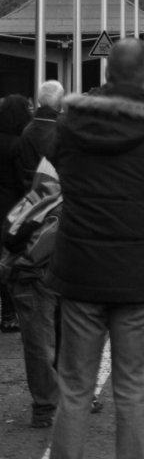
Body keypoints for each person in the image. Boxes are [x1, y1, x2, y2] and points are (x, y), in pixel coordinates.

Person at [48, 38, 144, 459]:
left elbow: (56, 163)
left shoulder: (71, 126)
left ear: (107, 73)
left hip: (81, 274)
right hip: (139, 276)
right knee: (131, 391)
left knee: (74, 390)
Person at [1, 157, 62, 427]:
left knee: (44, 342)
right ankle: (46, 406)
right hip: (36, 276)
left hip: (29, 275)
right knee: (43, 344)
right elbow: (43, 245)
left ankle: (52, 401)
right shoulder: (63, 204)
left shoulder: (40, 196)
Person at [0, 94, 32, 332]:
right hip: (12, 208)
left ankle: (8, 313)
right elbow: (24, 180)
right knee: (10, 260)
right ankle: (11, 313)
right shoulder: (19, 144)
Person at [18, 80, 64, 191]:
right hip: (57, 194)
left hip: (32, 193)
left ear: (39, 100)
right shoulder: (63, 129)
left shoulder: (27, 130)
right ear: (60, 102)